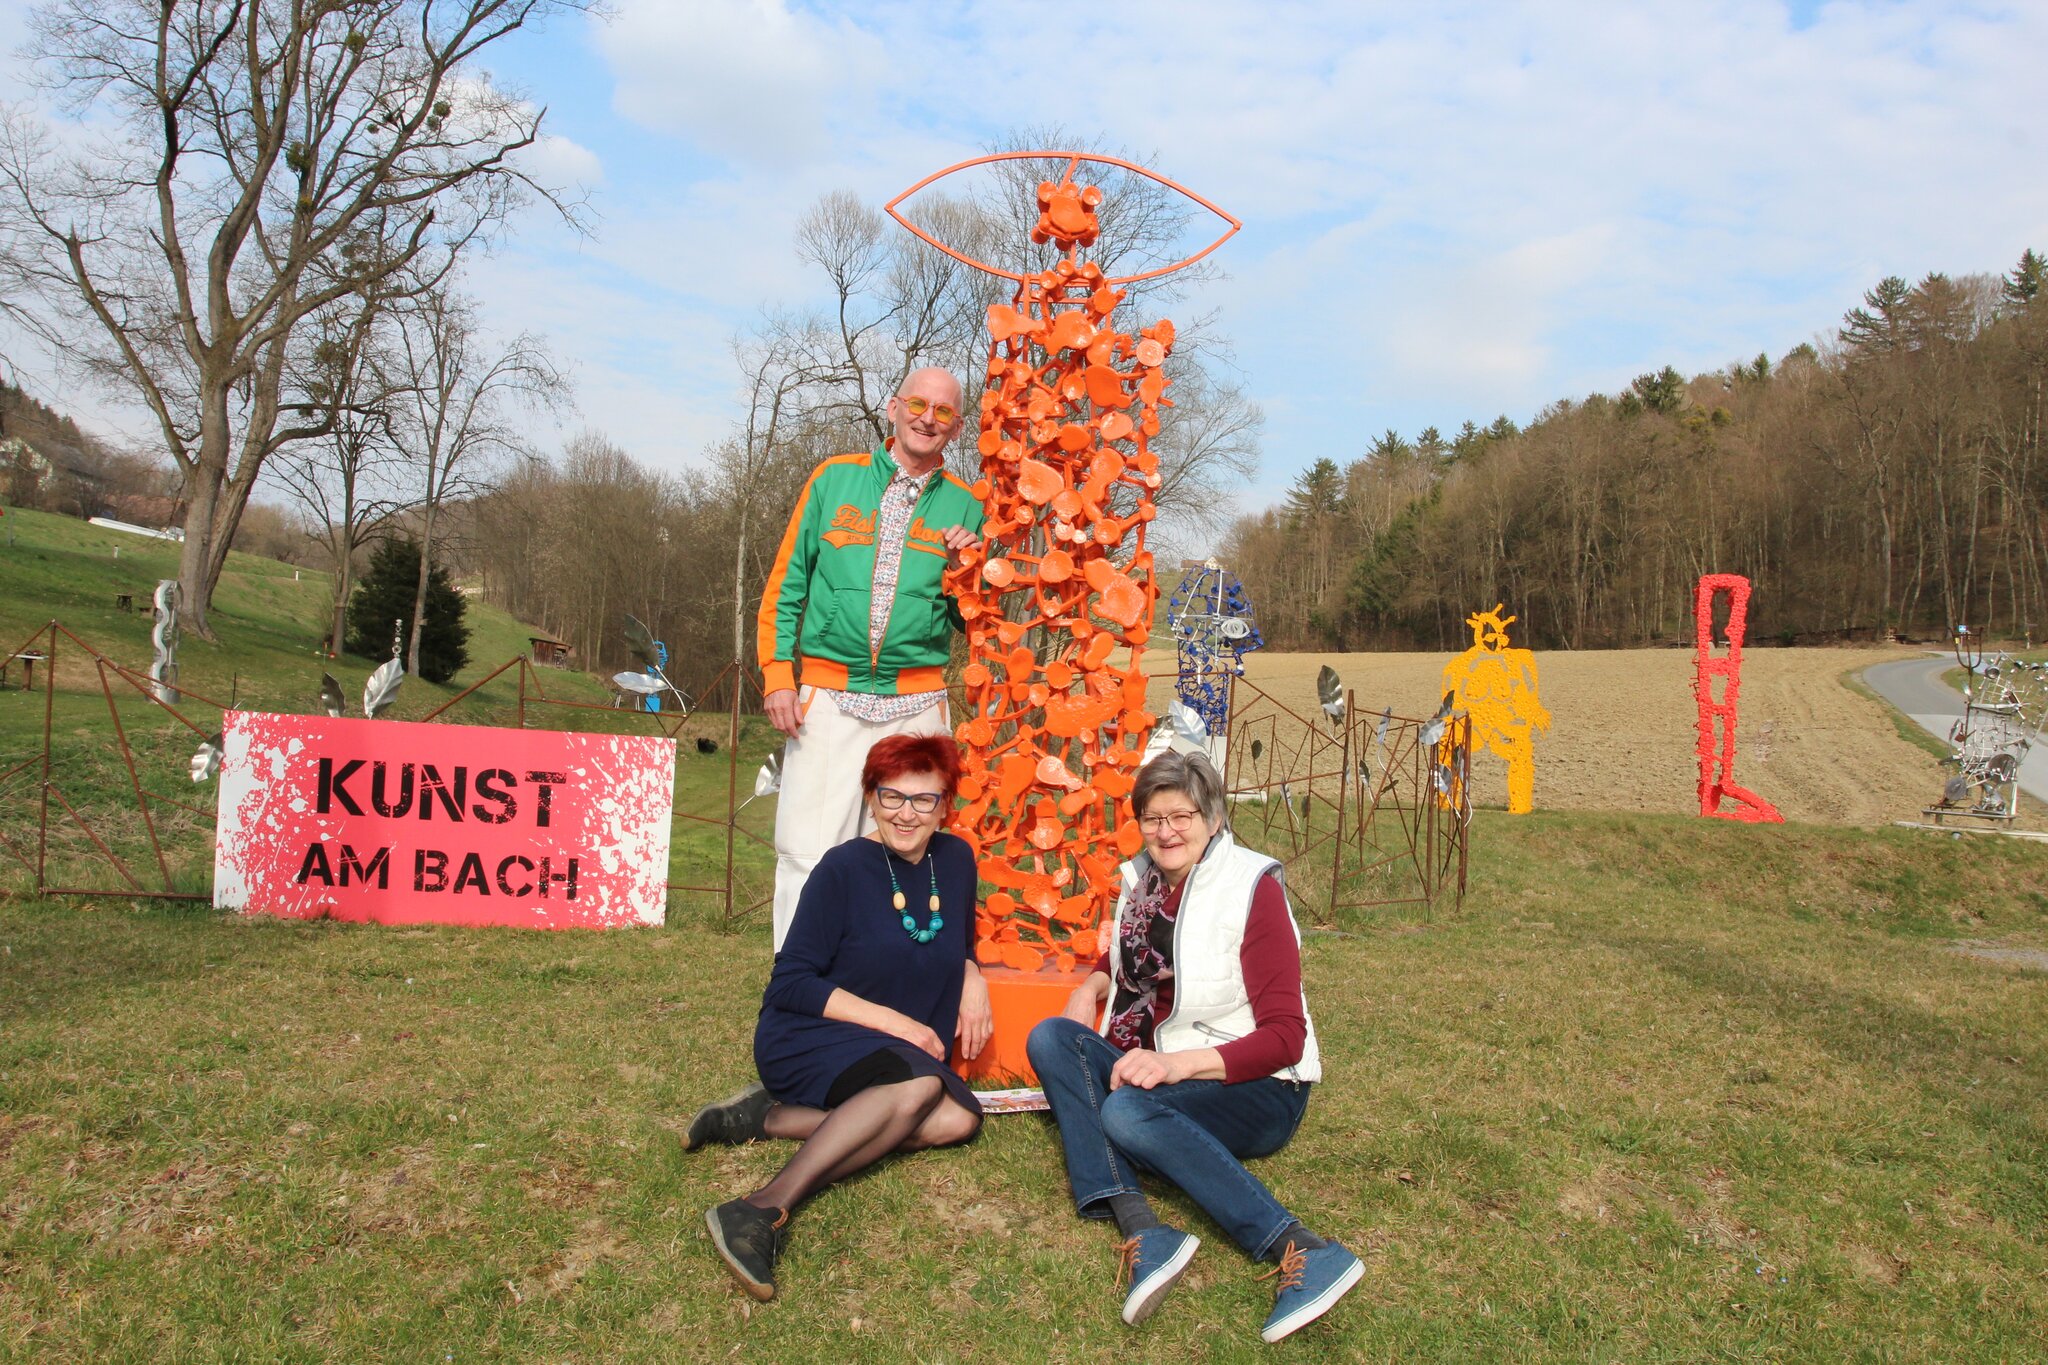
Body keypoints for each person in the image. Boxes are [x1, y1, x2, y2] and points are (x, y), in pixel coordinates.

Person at [1025, 751, 1363, 1344]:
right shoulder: (1143, 883)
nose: (1166, 831)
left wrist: (1175, 1063)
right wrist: (1092, 984)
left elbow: (1286, 1037)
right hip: (1166, 1068)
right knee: (1052, 1038)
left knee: (1125, 1109)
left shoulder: (1251, 888)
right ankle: (1145, 1230)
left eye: (1181, 815)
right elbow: (1136, 964)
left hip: (1256, 1087)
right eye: (1153, 818)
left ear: (1212, 817)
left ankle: (1301, 1247)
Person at [685, 734, 992, 1301]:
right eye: (891, 796)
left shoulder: (956, 861)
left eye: (924, 800)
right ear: (870, 799)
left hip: (886, 1051)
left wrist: (973, 976)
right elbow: (792, 982)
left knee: (957, 1123)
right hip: (811, 1034)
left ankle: (769, 1118)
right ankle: (760, 1208)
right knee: (919, 1087)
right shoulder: (842, 869)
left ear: (945, 805)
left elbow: (959, 942)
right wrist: (897, 1024)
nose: (906, 813)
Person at [756, 367, 985, 950]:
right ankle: (798, 994)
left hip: (918, 703)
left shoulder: (967, 506)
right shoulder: (834, 480)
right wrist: (779, 674)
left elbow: (973, 622)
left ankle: (891, 994)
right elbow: (787, 583)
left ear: (956, 428)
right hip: (827, 698)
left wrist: (969, 571)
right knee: (809, 850)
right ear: (893, 407)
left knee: (911, 857)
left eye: (944, 412)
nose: (927, 417)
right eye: (918, 403)